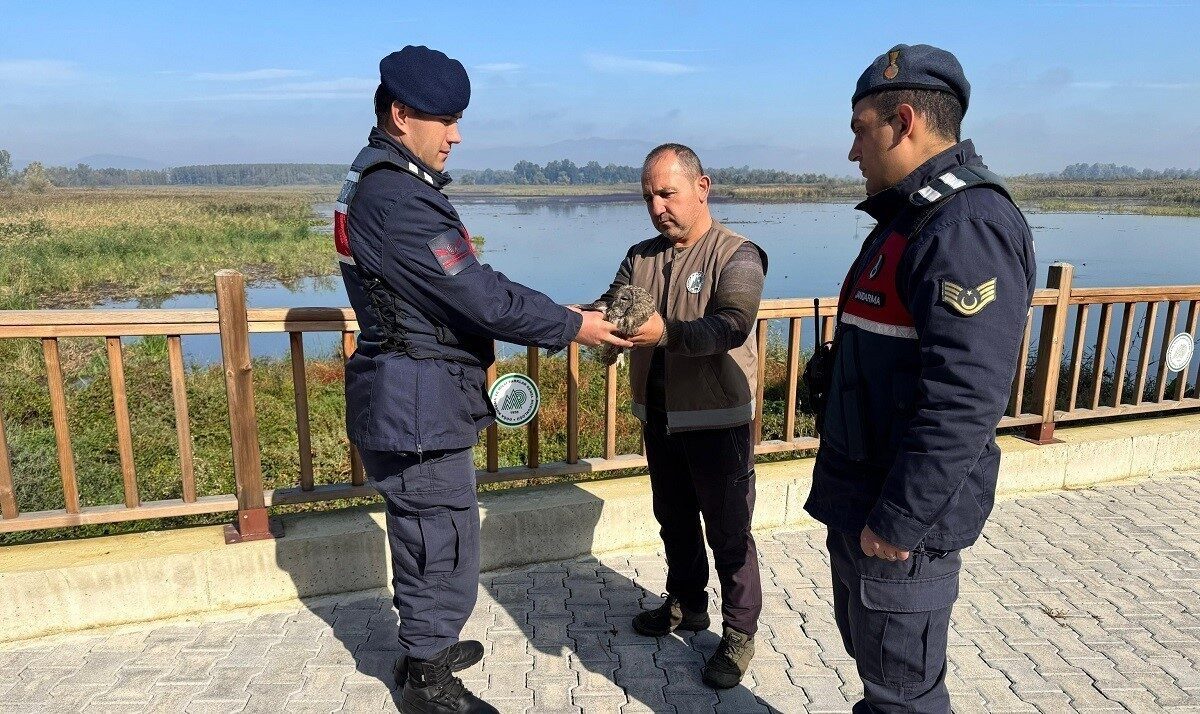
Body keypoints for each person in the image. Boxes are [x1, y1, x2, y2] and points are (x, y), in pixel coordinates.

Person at [335, 46, 630, 714]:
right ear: (402, 115)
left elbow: (457, 289)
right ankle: (427, 680)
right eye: (445, 120)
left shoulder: (375, 180)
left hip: (410, 394)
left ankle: (427, 645)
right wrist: (572, 324)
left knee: (428, 534)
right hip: (417, 404)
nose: (456, 136)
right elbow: (480, 295)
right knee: (440, 541)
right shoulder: (401, 200)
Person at [803, 44, 1037, 713]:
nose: (853, 152)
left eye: (860, 131)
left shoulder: (965, 224)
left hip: (897, 518)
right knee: (879, 673)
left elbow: (965, 400)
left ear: (903, 122)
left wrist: (899, 521)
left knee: (903, 694)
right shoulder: (910, 217)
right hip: (863, 497)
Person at [590, 143, 767, 689]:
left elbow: (732, 324)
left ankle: (739, 633)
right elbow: (611, 306)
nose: (657, 207)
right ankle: (687, 605)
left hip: (719, 421)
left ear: (702, 187)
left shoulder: (738, 254)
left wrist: (665, 333)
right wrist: (574, 321)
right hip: (660, 417)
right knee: (674, 519)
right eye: (648, 197)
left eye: (667, 193)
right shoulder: (641, 256)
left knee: (729, 533)